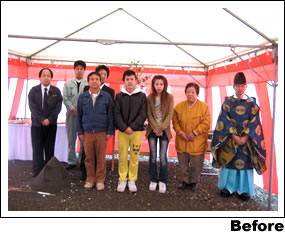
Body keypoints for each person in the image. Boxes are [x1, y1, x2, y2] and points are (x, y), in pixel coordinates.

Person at [211, 72, 266, 201]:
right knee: (230, 161)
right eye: (237, 86)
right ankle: (228, 187)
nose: (240, 88)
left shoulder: (252, 103)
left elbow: (255, 122)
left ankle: (244, 190)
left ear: (246, 86)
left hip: (247, 140)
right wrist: (234, 136)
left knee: (245, 163)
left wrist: (245, 137)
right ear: (233, 86)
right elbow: (223, 120)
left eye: (242, 86)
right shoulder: (228, 102)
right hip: (231, 139)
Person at [76, 71, 114, 190]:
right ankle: (90, 179)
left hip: (102, 132)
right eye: (92, 79)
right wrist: (80, 132)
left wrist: (109, 132)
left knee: (101, 158)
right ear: (88, 82)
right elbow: (79, 116)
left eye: (97, 79)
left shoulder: (106, 97)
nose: (94, 81)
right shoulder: (82, 97)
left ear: (101, 81)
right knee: (88, 158)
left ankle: (100, 180)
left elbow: (110, 116)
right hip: (87, 133)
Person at [172, 83, 210, 191]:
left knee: (196, 163)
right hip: (182, 140)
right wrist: (180, 132)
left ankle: (194, 181)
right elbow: (175, 122)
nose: (190, 94)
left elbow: (206, 123)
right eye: (188, 92)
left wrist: (195, 132)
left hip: (197, 141)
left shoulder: (204, 107)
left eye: (192, 92)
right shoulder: (179, 107)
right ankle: (185, 180)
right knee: (183, 163)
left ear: (197, 93)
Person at [114, 70, 147, 193]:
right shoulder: (119, 96)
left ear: (136, 81)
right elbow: (116, 113)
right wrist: (124, 127)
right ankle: (122, 178)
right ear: (124, 81)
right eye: (127, 79)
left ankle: (132, 179)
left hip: (136, 132)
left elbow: (143, 113)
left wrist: (132, 127)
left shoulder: (142, 96)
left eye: (131, 79)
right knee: (122, 155)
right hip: (122, 132)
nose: (129, 82)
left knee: (134, 155)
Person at [28, 68, 62, 177]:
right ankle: (37, 172)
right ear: (40, 77)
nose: (46, 78)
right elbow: (32, 107)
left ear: (51, 78)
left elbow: (58, 108)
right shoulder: (34, 91)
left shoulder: (56, 91)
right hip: (37, 125)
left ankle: (48, 172)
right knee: (37, 149)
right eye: (44, 75)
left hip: (51, 125)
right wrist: (42, 119)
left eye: (48, 76)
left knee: (49, 149)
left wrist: (49, 119)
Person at [146, 75, 174, 193]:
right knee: (153, 156)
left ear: (164, 85)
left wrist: (161, 128)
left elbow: (170, 113)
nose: (159, 87)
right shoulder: (149, 98)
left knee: (163, 156)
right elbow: (149, 114)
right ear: (153, 85)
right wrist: (155, 128)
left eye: (161, 84)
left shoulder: (169, 97)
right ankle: (153, 179)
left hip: (164, 131)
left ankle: (163, 180)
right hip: (152, 130)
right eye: (156, 84)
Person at [63, 60, 88, 170]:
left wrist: (81, 110)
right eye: (77, 68)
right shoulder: (67, 84)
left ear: (84, 71)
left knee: (83, 139)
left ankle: (82, 160)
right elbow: (65, 98)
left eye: (81, 69)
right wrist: (72, 108)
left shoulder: (88, 84)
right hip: (71, 115)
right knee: (71, 138)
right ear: (74, 70)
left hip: (84, 116)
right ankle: (71, 161)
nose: (79, 71)